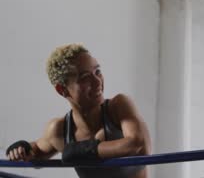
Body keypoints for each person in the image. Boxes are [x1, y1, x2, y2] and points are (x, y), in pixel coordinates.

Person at [6, 44, 151, 178]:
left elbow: (137, 144)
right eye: (85, 77)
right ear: (62, 89)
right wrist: (22, 148)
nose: (97, 82)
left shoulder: (118, 107)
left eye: (97, 72)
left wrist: (86, 150)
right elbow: (37, 150)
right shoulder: (60, 130)